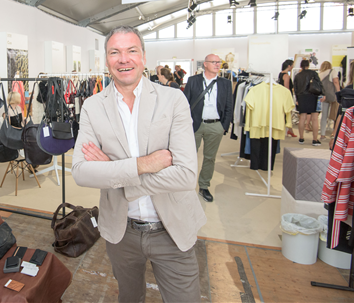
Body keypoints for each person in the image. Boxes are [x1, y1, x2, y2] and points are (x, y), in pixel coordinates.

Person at [72, 25, 206, 303]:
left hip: (172, 230)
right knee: (129, 298)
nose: (124, 59)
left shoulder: (173, 100)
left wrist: (113, 169)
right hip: (122, 233)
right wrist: (144, 164)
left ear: (143, 57)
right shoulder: (92, 106)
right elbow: (81, 172)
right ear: (106, 60)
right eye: (115, 52)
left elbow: (184, 176)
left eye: (131, 51)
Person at [183, 54, 233, 203]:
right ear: (205, 64)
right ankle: (186, 186)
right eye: (214, 62)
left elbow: (229, 106)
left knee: (210, 158)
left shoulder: (225, 83)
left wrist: (223, 126)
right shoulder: (193, 81)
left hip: (215, 125)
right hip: (195, 125)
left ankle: (204, 186)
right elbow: (185, 104)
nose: (217, 65)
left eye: (219, 62)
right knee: (189, 157)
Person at [293, 59, 322, 146]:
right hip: (313, 96)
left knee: (302, 118)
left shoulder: (298, 76)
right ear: (308, 65)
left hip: (302, 97)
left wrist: (297, 99)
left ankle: (301, 138)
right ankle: (315, 139)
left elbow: (296, 88)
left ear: (301, 66)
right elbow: (319, 85)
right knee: (315, 118)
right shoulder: (313, 73)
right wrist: (322, 94)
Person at [318, 61, 340, 140]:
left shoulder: (319, 74)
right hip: (332, 96)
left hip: (323, 96)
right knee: (335, 114)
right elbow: (336, 82)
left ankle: (322, 134)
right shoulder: (332, 71)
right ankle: (334, 133)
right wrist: (338, 93)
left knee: (324, 115)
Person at [278, 59, 297, 138]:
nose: (292, 67)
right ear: (289, 66)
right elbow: (287, 88)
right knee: (287, 113)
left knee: (283, 113)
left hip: (280, 96)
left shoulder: (280, 74)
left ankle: (289, 130)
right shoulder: (286, 76)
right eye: (292, 65)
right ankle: (289, 130)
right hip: (285, 97)